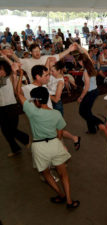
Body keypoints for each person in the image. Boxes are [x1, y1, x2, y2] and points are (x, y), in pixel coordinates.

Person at [15, 67, 80, 209]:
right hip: (54, 145)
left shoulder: (31, 111)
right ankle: (69, 200)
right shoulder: (56, 114)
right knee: (64, 175)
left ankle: (60, 194)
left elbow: (18, 93)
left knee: (46, 174)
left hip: (39, 147)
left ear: (36, 101)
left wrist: (19, 76)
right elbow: (60, 133)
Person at [47, 60, 81, 150]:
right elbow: (47, 65)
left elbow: (56, 99)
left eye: (52, 71)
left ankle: (62, 147)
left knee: (57, 129)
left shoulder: (60, 81)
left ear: (58, 71)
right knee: (55, 129)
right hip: (50, 103)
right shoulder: (52, 76)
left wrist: (45, 93)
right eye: (50, 70)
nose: (50, 72)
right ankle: (74, 138)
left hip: (56, 104)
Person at [0, 59, 29, 157]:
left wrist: (15, 73)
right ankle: (15, 148)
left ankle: (27, 140)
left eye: (2, 70)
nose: (1, 72)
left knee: (12, 129)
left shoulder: (10, 77)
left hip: (11, 106)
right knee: (4, 130)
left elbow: (16, 90)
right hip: (1, 108)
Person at [76, 48, 106, 134]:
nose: (79, 63)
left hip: (90, 93)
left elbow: (86, 87)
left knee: (82, 112)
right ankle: (92, 129)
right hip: (94, 91)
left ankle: (99, 122)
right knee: (87, 111)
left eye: (79, 61)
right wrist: (78, 47)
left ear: (83, 61)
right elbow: (86, 54)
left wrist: (80, 97)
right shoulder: (91, 66)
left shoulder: (86, 71)